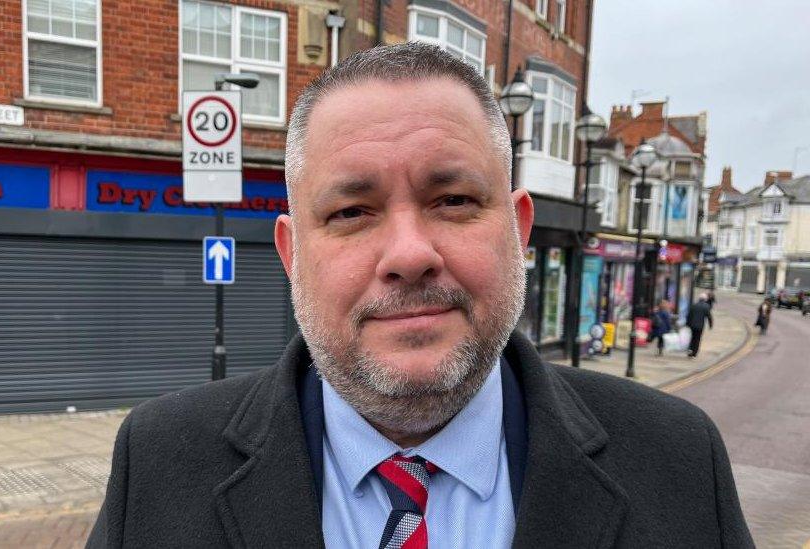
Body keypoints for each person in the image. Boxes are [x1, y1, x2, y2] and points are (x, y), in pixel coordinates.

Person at [88, 43, 752, 548]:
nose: (409, 254)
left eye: (454, 199)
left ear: (517, 230)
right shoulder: (157, 463)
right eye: (351, 211)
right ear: (292, 255)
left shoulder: (680, 460)